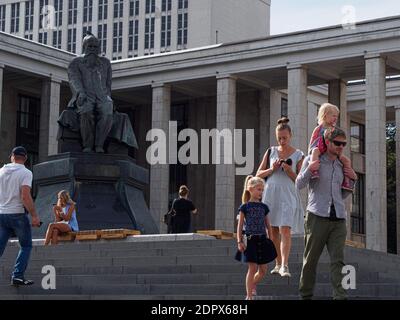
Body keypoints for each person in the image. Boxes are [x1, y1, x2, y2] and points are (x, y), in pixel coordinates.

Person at [296, 127, 357, 300]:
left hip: (338, 218)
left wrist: (352, 180)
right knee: (310, 261)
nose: (340, 147)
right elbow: (298, 184)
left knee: (338, 261)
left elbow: (343, 194)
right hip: (316, 216)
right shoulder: (312, 159)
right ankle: (305, 295)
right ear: (328, 142)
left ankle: (340, 297)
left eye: (343, 144)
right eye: (337, 143)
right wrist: (309, 169)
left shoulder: (342, 165)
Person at [256, 117, 304, 278]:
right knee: (273, 231)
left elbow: (300, 179)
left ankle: (285, 265)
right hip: (271, 194)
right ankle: (277, 264)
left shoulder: (298, 154)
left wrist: (289, 169)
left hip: (288, 194)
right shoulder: (271, 151)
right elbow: (258, 174)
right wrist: (272, 168)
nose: (282, 141)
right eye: (279, 138)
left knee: (285, 228)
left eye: (284, 138)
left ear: (290, 135)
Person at [65, 32, 113, 153]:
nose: (92, 49)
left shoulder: (105, 63)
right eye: (89, 46)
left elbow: (108, 83)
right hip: (85, 95)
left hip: (102, 96)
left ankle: (99, 145)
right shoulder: (75, 63)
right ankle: (88, 145)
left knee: (107, 111)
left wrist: (107, 97)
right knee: (86, 111)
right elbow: (74, 80)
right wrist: (80, 93)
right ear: (84, 47)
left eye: (95, 47)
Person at [0, 146, 41, 286]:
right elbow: (25, 195)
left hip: (1, 215)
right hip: (17, 215)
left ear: (12, 156)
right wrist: (34, 216)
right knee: (26, 246)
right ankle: (17, 276)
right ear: (25, 159)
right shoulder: (26, 172)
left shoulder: (1, 171)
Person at [235, 176, 275, 300]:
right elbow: (240, 226)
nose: (261, 192)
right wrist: (239, 241)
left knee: (263, 270)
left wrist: (271, 240)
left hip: (262, 240)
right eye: (259, 189)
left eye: (262, 190)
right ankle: (249, 296)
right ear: (250, 189)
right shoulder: (244, 207)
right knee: (252, 268)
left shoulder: (264, 207)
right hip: (250, 240)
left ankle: (252, 285)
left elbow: (268, 225)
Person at [309, 103, 353, 191]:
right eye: (333, 116)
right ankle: (314, 170)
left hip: (332, 151)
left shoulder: (335, 129)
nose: (335, 118)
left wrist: (339, 152)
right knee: (314, 151)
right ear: (325, 116)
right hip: (320, 148)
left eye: (336, 116)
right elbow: (312, 141)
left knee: (347, 161)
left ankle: (346, 181)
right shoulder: (319, 128)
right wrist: (311, 152)